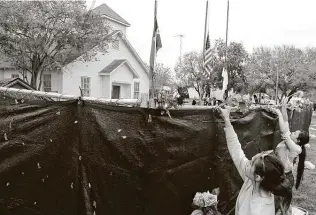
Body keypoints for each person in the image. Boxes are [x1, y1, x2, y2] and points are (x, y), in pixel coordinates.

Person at [217, 106, 291, 215]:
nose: (247, 163)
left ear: (258, 177)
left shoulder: (258, 210)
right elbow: (236, 151)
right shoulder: (253, 181)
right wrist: (227, 120)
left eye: (251, 163)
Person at [273, 105, 310, 214]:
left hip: (285, 178)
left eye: (294, 133)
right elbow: (285, 124)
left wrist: (279, 113)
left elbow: (285, 131)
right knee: (281, 203)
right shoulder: (292, 141)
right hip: (280, 175)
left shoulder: (296, 148)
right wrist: (283, 109)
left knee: (281, 204)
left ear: (298, 140)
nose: (292, 133)